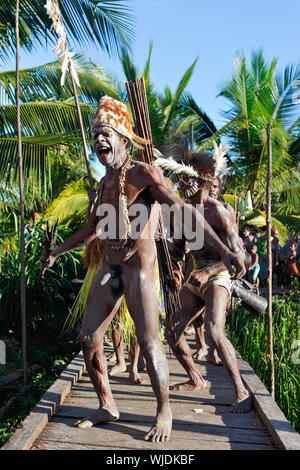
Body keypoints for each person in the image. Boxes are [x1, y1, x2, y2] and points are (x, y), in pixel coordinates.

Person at [40, 96, 245, 442]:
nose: (99, 141)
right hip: (109, 265)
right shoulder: (104, 184)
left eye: (106, 133)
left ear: (123, 137)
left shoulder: (143, 173)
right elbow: (92, 230)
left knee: (150, 344)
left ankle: (164, 410)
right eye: (95, 136)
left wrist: (226, 251)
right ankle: (107, 404)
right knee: (89, 338)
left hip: (139, 269)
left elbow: (182, 210)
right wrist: (56, 252)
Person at [163, 150, 251, 413]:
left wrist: (210, 271)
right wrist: (163, 243)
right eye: (179, 179)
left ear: (201, 183)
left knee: (214, 330)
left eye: (185, 180)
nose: (180, 184)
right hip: (195, 277)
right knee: (171, 332)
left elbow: (241, 260)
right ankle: (196, 378)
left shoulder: (219, 212)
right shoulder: (182, 212)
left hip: (218, 276)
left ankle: (241, 390)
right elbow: (179, 251)